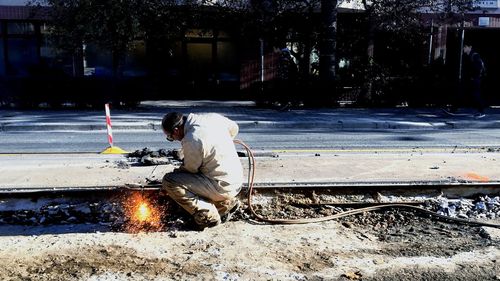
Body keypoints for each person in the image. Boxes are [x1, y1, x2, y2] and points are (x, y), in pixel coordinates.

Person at [161, 112, 243, 230]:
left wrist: (177, 172)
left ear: (176, 130)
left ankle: (209, 216)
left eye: (170, 137)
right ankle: (224, 205)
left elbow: (190, 169)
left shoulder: (192, 139)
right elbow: (234, 127)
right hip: (236, 180)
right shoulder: (212, 117)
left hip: (221, 185)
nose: (173, 139)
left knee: (170, 181)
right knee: (202, 173)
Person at [446, 43, 486, 118]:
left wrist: (473, 77)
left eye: (465, 47)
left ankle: (481, 111)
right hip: (471, 79)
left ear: (470, 47)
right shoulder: (469, 56)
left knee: (475, 95)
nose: (463, 48)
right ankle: (453, 109)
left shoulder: (474, 55)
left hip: (474, 80)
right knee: (461, 93)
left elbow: (478, 67)